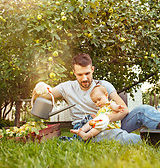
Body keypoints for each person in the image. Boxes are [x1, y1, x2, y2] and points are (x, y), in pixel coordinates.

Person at [32, 53, 160, 144]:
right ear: (74, 73)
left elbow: (124, 110)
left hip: (112, 122)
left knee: (143, 110)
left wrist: (105, 119)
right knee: (112, 135)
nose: (84, 78)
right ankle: (152, 141)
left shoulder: (104, 85)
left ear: (92, 69)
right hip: (88, 129)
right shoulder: (66, 87)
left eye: (87, 73)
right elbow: (48, 93)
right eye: (80, 74)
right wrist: (40, 87)